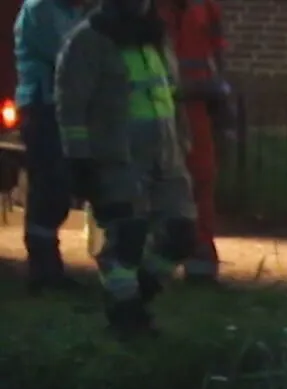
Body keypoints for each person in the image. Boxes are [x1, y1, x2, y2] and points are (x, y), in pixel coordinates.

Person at [56, 0, 198, 336]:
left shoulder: (154, 37)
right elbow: (71, 107)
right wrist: (79, 159)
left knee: (181, 234)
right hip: (118, 155)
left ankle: (135, 295)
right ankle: (125, 311)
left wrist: (182, 140)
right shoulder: (88, 40)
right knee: (127, 237)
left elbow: (171, 94)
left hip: (166, 155)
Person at [12, 0, 93, 294]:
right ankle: (42, 271)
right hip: (43, 104)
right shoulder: (41, 9)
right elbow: (67, 55)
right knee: (49, 186)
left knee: (57, 188)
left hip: (60, 106)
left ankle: (50, 268)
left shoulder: (69, 11)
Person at [155, 0, 228, 284]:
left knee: (202, 179)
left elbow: (217, 50)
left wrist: (220, 92)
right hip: (158, 105)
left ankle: (201, 262)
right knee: (161, 183)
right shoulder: (148, 8)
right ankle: (158, 260)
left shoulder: (205, 6)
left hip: (197, 105)